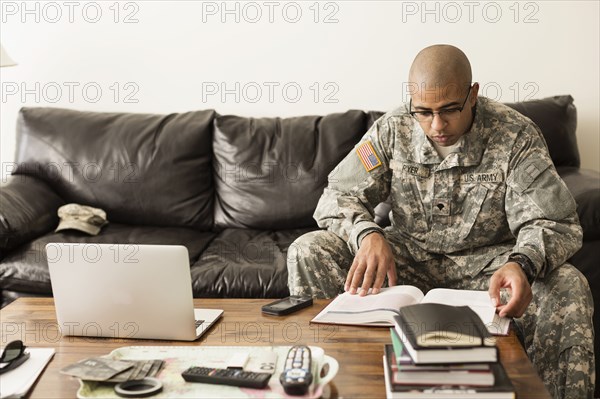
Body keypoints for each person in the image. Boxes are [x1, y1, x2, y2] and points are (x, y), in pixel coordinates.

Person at [287, 44, 594, 399]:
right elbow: (337, 196)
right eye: (423, 112)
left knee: (568, 284)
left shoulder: (516, 135)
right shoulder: (392, 130)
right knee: (308, 249)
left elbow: (555, 222)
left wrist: (522, 263)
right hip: (405, 262)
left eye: (450, 110)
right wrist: (367, 233)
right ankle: (332, 385)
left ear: (473, 94)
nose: (437, 125)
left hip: (488, 269)